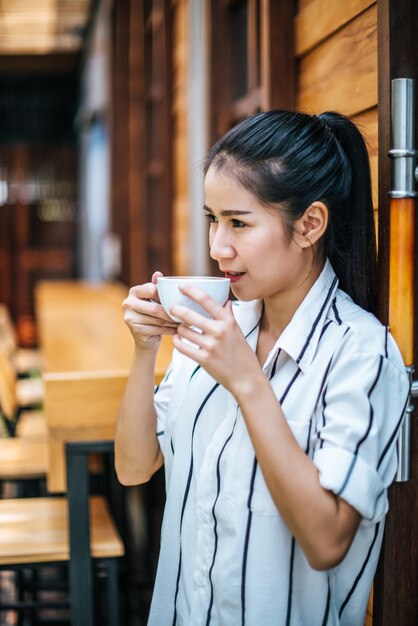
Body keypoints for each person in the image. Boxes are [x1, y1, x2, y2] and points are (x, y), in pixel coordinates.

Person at [115, 110, 410, 626]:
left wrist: (248, 382)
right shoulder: (220, 326)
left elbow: (326, 542)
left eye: (239, 223)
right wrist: (144, 351)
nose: (216, 247)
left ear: (309, 225)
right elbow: (134, 467)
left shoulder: (360, 353)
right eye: (212, 219)